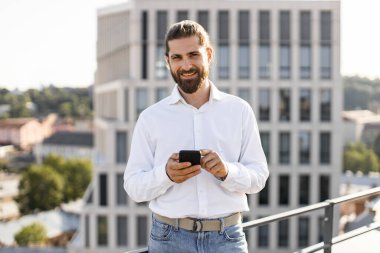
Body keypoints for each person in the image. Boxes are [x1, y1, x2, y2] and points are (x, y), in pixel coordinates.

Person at [124, 20, 269, 253]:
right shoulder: (150, 118)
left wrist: (227, 172)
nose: (186, 65)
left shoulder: (239, 110)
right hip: (168, 240)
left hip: (227, 238)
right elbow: (133, 187)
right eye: (177, 58)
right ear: (167, 61)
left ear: (208, 54)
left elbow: (259, 176)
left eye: (193, 55)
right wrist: (166, 174)